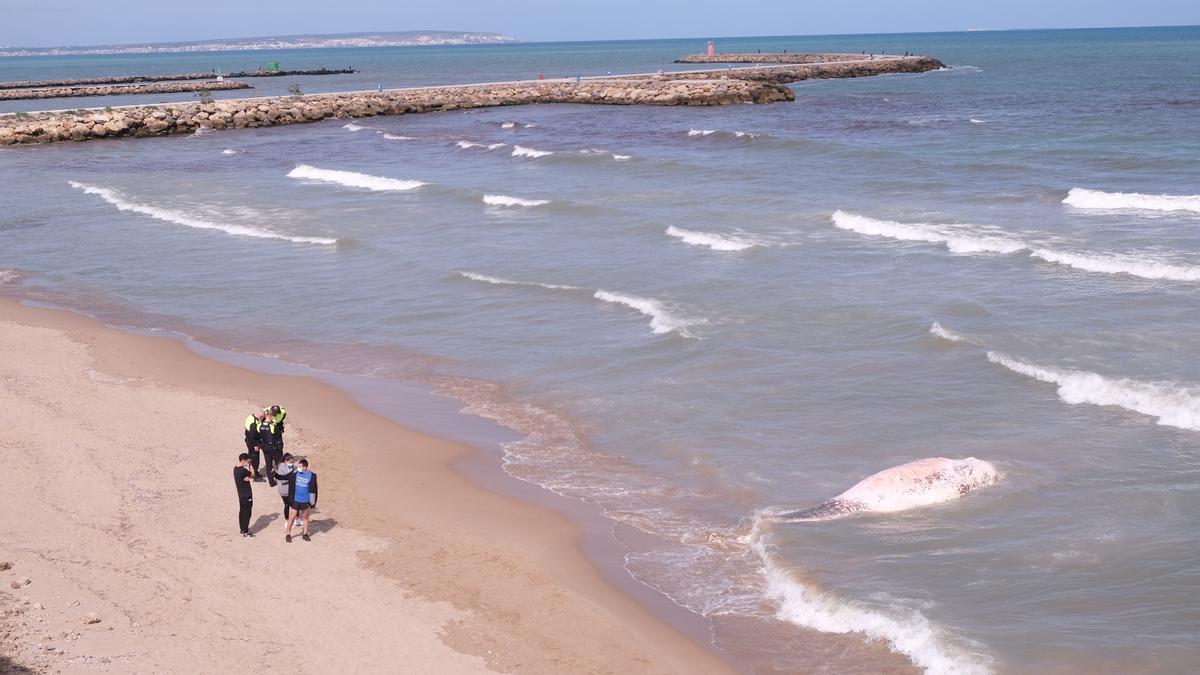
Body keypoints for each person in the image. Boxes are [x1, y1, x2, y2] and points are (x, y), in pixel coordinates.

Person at [285, 458, 317, 543]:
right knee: (292, 517)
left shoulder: (312, 476)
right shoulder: (295, 473)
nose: (298, 468)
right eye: (298, 466)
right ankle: (288, 534)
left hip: (305, 500)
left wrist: (312, 503)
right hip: (295, 500)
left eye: (300, 466)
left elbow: (314, 490)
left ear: (305, 467)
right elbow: (289, 480)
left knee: (305, 517)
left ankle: (305, 534)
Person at [234, 453, 255, 537]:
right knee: (247, 513)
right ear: (243, 460)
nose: (248, 462)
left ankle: (242, 529)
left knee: (242, 512)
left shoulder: (235, 469)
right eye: (247, 461)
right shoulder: (243, 470)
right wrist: (250, 465)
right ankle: (246, 531)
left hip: (241, 495)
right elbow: (253, 474)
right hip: (247, 495)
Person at [274, 453, 296, 527]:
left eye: (293, 462)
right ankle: (287, 521)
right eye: (291, 462)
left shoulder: (292, 467)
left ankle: (295, 519)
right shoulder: (281, 469)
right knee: (287, 505)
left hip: (291, 490)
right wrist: (292, 478)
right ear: (285, 461)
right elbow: (282, 480)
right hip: (284, 491)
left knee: (294, 505)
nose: (292, 464)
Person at [243, 411, 264, 477]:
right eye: (262, 418)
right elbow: (252, 435)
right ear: (260, 416)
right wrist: (256, 445)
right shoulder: (253, 423)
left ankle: (253, 472)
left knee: (252, 457)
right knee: (255, 459)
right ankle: (253, 474)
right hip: (252, 443)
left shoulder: (250, 417)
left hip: (249, 441)